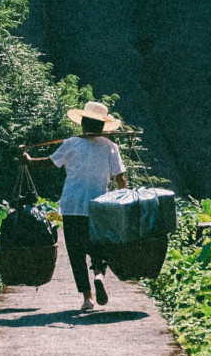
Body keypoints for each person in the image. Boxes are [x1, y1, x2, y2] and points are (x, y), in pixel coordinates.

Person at [20, 100, 129, 312]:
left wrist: (28, 159)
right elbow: (120, 178)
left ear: (83, 124)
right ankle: (99, 274)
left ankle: (88, 298)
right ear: (102, 126)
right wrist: (121, 197)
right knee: (99, 246)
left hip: (72, 206)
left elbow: (49, 163)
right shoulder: (111, 147)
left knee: (76, 252)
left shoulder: (71, 143)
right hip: (99, 207)